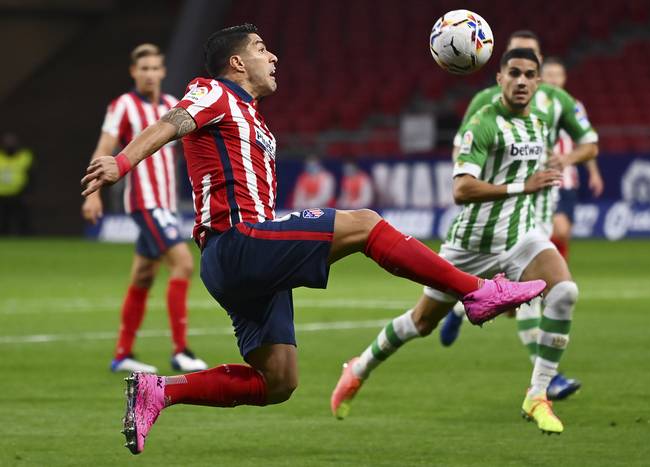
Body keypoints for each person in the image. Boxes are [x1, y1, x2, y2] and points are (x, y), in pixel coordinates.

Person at [81, 24, 545, 455]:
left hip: (242, 261)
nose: (274, 57)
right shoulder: (213, 92)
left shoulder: (253, 119)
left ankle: (158, 391)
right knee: (364, 223)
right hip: (239, 241)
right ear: (238, 63)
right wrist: (121, 164)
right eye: (262, 49)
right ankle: (478, 292)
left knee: (277, 381)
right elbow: (172, 122)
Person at [332, 48, 582, 435]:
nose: (521, 81)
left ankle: (537, 394)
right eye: (513, 73)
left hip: (521, 236)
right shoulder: (483, 123)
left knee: (564, 292)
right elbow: (462, 190)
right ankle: (359, 367)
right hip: (471, 245)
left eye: (529, 75)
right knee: (421, 323)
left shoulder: (538, 124)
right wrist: (523, 185)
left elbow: (536, 163)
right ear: (499, 78)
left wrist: (546, 170)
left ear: (537, 82)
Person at [439, 30, 600, 402]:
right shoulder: (485, 103)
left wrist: (569, 159)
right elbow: (462, 152)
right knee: (534, 294)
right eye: (513, 63)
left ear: (540, 66)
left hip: (542, 202)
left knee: (534, 295)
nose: (522, 74)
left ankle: (467, 310)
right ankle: (547, 379)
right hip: (505, 210)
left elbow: (590, 144)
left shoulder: (558, 103)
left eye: (531, 66)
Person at [81, 43, 207, 375]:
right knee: (182, 263)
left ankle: (122, 354)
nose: (150, 74)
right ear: (134, 73)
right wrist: (92, 194)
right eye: (144, 69)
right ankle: (181, 351)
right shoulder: (123, 106)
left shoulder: (170, 106)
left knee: (143, 275)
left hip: (166, 204)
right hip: (144, 202)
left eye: (155, 68)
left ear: (163, 72)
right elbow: (106, 147)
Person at [541, 56, 604, 260]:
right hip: (537, 178)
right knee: (543, 232)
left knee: (562, 232)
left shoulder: (575, 106)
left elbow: (585, 143)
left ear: (564, 78)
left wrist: (594, 173)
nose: (554, 79)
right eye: (549, 75)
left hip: (566, 179)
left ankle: (556, 276)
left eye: (558, 75)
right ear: (541, 77)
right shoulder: (531, 104)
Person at [0, 132, 33, 235]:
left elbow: (32, 176)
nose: (9, 145)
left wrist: (29, 193)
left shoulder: (25, 156)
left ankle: (26, 243)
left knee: (23, 221)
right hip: (1, 195)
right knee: (3, 222)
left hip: (19, 194)